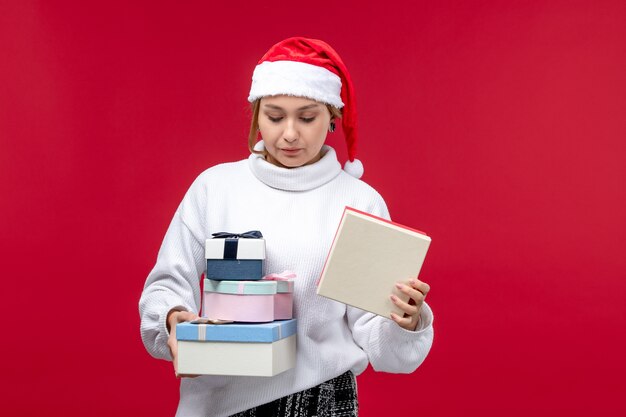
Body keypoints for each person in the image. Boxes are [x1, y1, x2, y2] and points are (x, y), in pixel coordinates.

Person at [139, 37, 434, 417]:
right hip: (216, 402)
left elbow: (382, 343)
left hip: (322, 401)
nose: (290, 133)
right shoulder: (214, 188)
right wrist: (173, 319)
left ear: (332, 117)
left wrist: (405, 321)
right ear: (256, 115)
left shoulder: (360, 202)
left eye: (307, 117)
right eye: (275, 117)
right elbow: (166, 285)